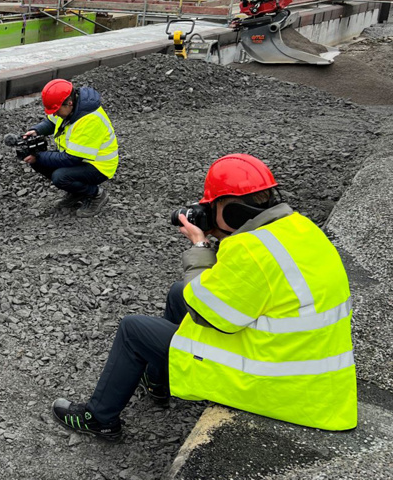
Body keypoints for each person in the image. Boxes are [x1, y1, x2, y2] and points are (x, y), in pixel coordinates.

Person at [51, 154, 356, 442]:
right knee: (178, 292)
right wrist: (221, 239)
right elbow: (242, 290)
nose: (207, 212)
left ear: (232, 209)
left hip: (279, 384)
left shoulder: (250, 250)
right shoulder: (299, 227)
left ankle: (100, 419)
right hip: (307, 372)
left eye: (213, 205)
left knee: (133, 329)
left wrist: (200, 246)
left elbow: (214, 315)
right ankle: (160, 383)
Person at [21, 79, 119, 217]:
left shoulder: (89, 120)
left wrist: (39, 155)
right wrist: (36, 131)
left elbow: (73, 159)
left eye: (56, 110)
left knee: (60, 177)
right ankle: (77, 192)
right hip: (79, 158)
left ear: (70, 103)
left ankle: (96, 195)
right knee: (39, 162)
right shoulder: (70, 108)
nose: (54, 114)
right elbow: (51, 122)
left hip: (99, 165)